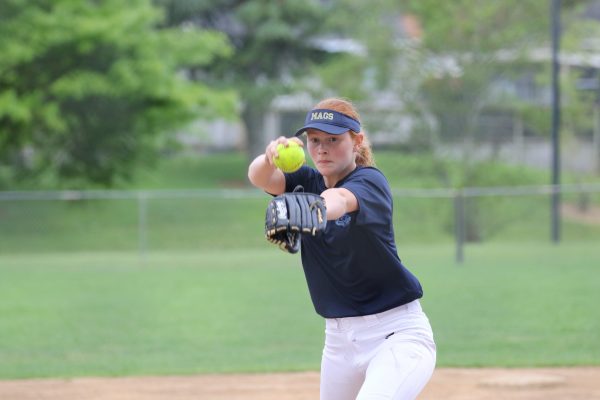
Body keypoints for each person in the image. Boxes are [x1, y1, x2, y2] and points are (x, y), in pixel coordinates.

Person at [247, 98, 436, 400]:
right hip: (338, 342)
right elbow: (258, 177)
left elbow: (341, 201)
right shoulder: (306, 181)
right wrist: (269, 157)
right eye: (314, 140)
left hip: (395, 335)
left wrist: (313, 208)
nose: (322, 148)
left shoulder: (369, 181)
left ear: (357, 141)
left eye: (333, 139)